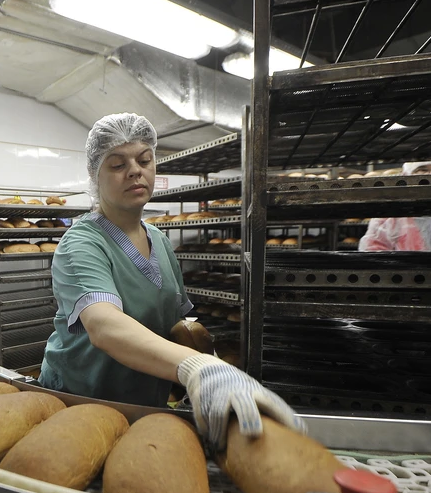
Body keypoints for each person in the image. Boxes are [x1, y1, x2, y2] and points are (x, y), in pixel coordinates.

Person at [38, 113, 304, 452]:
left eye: (144, 160)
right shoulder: (82, 244)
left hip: (145, 403)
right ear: (94, 175)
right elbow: (104, 325)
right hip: (81, 401)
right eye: (117, 164)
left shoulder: (159, 241)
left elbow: (172, 320)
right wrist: (196, 368)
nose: (135, 170)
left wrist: (209, 362)